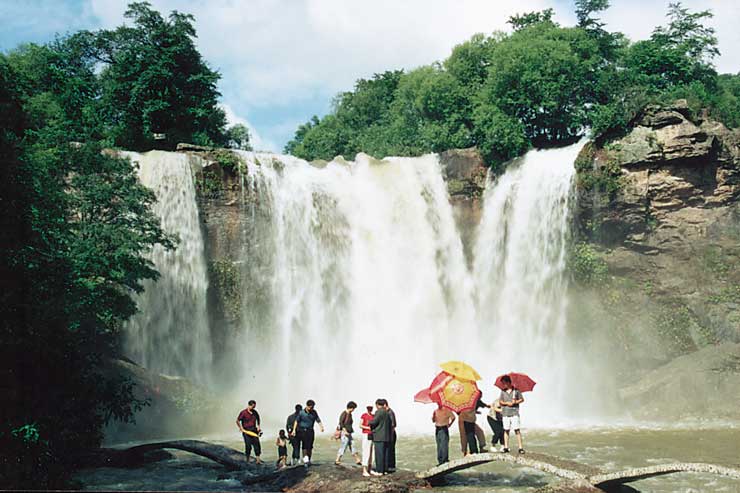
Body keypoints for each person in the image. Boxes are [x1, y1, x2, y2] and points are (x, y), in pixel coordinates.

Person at [292, 399, 324, 466]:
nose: (311, 408)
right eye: (310, 407)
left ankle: (309, 459)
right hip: (303, 431)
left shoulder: (314, 412)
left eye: (313, 407)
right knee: (304, 446)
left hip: (310, 431)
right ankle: (305, 460)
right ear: (307, 406)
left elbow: (318, 419)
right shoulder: (301, 413)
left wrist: (321, 427)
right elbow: (296, 421)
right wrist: (294, 430)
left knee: (310, 446)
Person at [499, 375, 525, 454]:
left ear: (508, 382)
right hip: (505, 413)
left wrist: (515, 402)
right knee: (506, 430)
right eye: (503, 383)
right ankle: (506, 447)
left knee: (517, 430)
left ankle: (520, 447)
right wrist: (507, 403)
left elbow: (522, 399)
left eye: (504, 383)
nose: (504, 385)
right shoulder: (502, 391)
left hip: (514, 412)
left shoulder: (516, 391)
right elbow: (500, 401)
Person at [369, 398, 392, 476]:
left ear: (377, 405)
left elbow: (374, 422)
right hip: (386, 436)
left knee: (379, 454)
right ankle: (384, 470)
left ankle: (379, 471)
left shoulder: (379, 412)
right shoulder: (387, 412)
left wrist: (369, 421)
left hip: (379, 436)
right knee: (385, 454)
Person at [236, 400, 263, 465]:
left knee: (257, 445)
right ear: (249, 405)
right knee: (248, 446)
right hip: (246, 431)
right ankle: (247, 460)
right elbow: (237, 420)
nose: (254, 408)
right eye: (253, 407)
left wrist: (259, 427)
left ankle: (258, 460)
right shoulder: (243, 412)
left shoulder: (255, 412)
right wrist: (241, 428)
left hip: (254, 431)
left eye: (254, 407)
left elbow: (258, 419)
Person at [335, 401, 361, 465]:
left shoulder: (349, 414)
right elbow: (341, 423)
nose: (354, 410)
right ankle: (337, 459)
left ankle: (357, 459)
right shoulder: (344, 413)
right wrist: (345, 431)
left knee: (352, 445)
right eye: (353, 408)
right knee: (344, 446)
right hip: (345, 433)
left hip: (349, 433)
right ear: (351, 408)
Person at [359, 405, 375, 477]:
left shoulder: (373, 416)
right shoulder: (364, 415)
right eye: (369, 408)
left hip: (372, 435)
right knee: (366, 451)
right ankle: (364, 470)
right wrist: (368, 428)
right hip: (366, 434)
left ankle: (370, 468)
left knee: (372, 452)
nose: (370, 410)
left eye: (371, 408)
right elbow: (360, 425)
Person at [386, 401, 397, 472]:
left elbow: (393, 425)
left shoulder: (390, 412)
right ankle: (390, 465)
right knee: (390, 450)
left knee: (390, 450)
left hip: (391, 434)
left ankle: (391, 466)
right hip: (390, 433)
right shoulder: (389, 412)